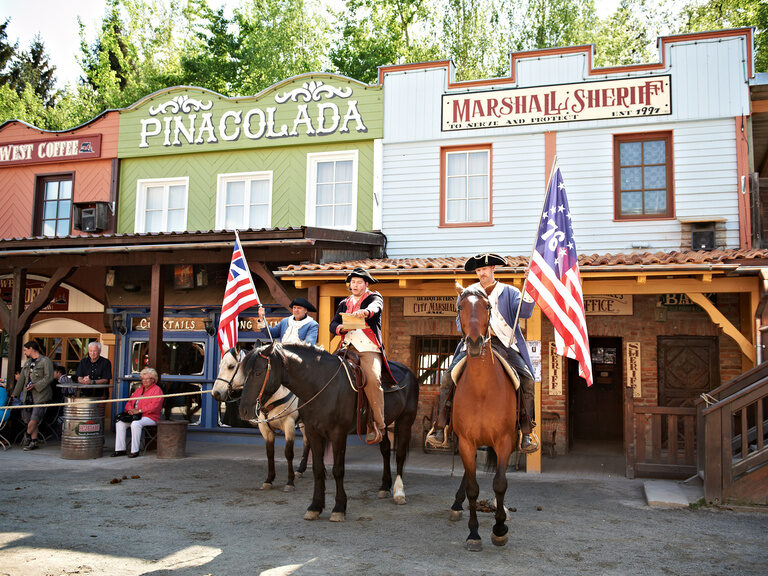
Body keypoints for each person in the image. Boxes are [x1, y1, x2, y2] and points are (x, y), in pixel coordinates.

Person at [425, 253, 540, 454]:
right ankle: (440, 427)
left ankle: (526, 431)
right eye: (478, 270)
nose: (481, 273)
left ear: (493, 269)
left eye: (484, 269)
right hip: (473, 343)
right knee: (447, 378)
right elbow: (460, 321)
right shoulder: (468, 293)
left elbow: (526, 312)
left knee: (528, 380)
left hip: (503, 344)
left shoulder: (509, 292)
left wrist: (529, 287)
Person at [330, 267, 389, 444]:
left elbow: (375, 308)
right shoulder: (344, 302)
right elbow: (333, 324)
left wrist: (365, 312)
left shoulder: (374, 297)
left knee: (372, 379)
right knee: (325, 372)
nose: (354, 285)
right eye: (352, 282)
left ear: (366, 284)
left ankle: (379, 424)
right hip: (346, 347)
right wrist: (340, 328)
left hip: (368, 348)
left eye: (358, 282)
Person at [12, 341, 54, 451]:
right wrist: (15, 394)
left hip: (41, 396)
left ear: (31, 349)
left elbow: (49, 378)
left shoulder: (45, 361)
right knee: (29, 419)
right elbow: (21, 380)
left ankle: (26, 435)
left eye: (25, 350)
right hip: (27, 395)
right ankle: (34, 441)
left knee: (35, 419)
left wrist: (36, 385)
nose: (24, 352)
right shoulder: (27, 363)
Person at [112, 367, 163, 458]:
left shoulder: (157, 390)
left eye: (147, 379)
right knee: (120, 423)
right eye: (143, 379)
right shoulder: (139, 390)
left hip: (150, 417)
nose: (144, 381)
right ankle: (120, 449)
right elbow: (129, 402)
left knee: (136, 424)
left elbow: (154, 406)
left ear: (153, 379)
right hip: (135, 415)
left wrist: (139, 410)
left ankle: (134, 450)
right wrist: (130, 410)